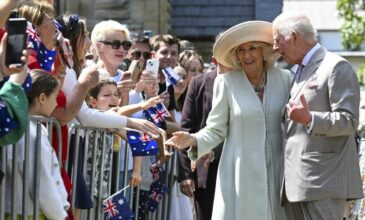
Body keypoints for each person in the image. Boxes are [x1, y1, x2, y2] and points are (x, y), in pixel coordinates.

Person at [166, 20, 290, 219]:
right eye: (241, 50)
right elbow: (216, 129)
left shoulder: (284, 79)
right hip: (240, 173)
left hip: (278, 169)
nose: (247, 55)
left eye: (252, 48)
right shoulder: (227, 82)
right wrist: (194, 140)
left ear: (263, 52)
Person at [272, 11, 363, 219]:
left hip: (324, 184)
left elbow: (349, 120)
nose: (275, 48)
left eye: (278, 40)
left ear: (294, 37)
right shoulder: (298, 71)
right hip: (297, 185)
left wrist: (310, 119)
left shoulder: (336, 66)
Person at [6, 70, 69, 219]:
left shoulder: (30, 129)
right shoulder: (31, 134)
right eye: (55, 97)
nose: (56, 103)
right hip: (28, 212)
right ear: (42, 98)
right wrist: (59, 213)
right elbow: (40, 179)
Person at [177, 66, 223, 220]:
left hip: (239, 168)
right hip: (206, 170)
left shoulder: (247, 79)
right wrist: (186, 174)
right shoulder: (199, 82)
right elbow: (186, 129)